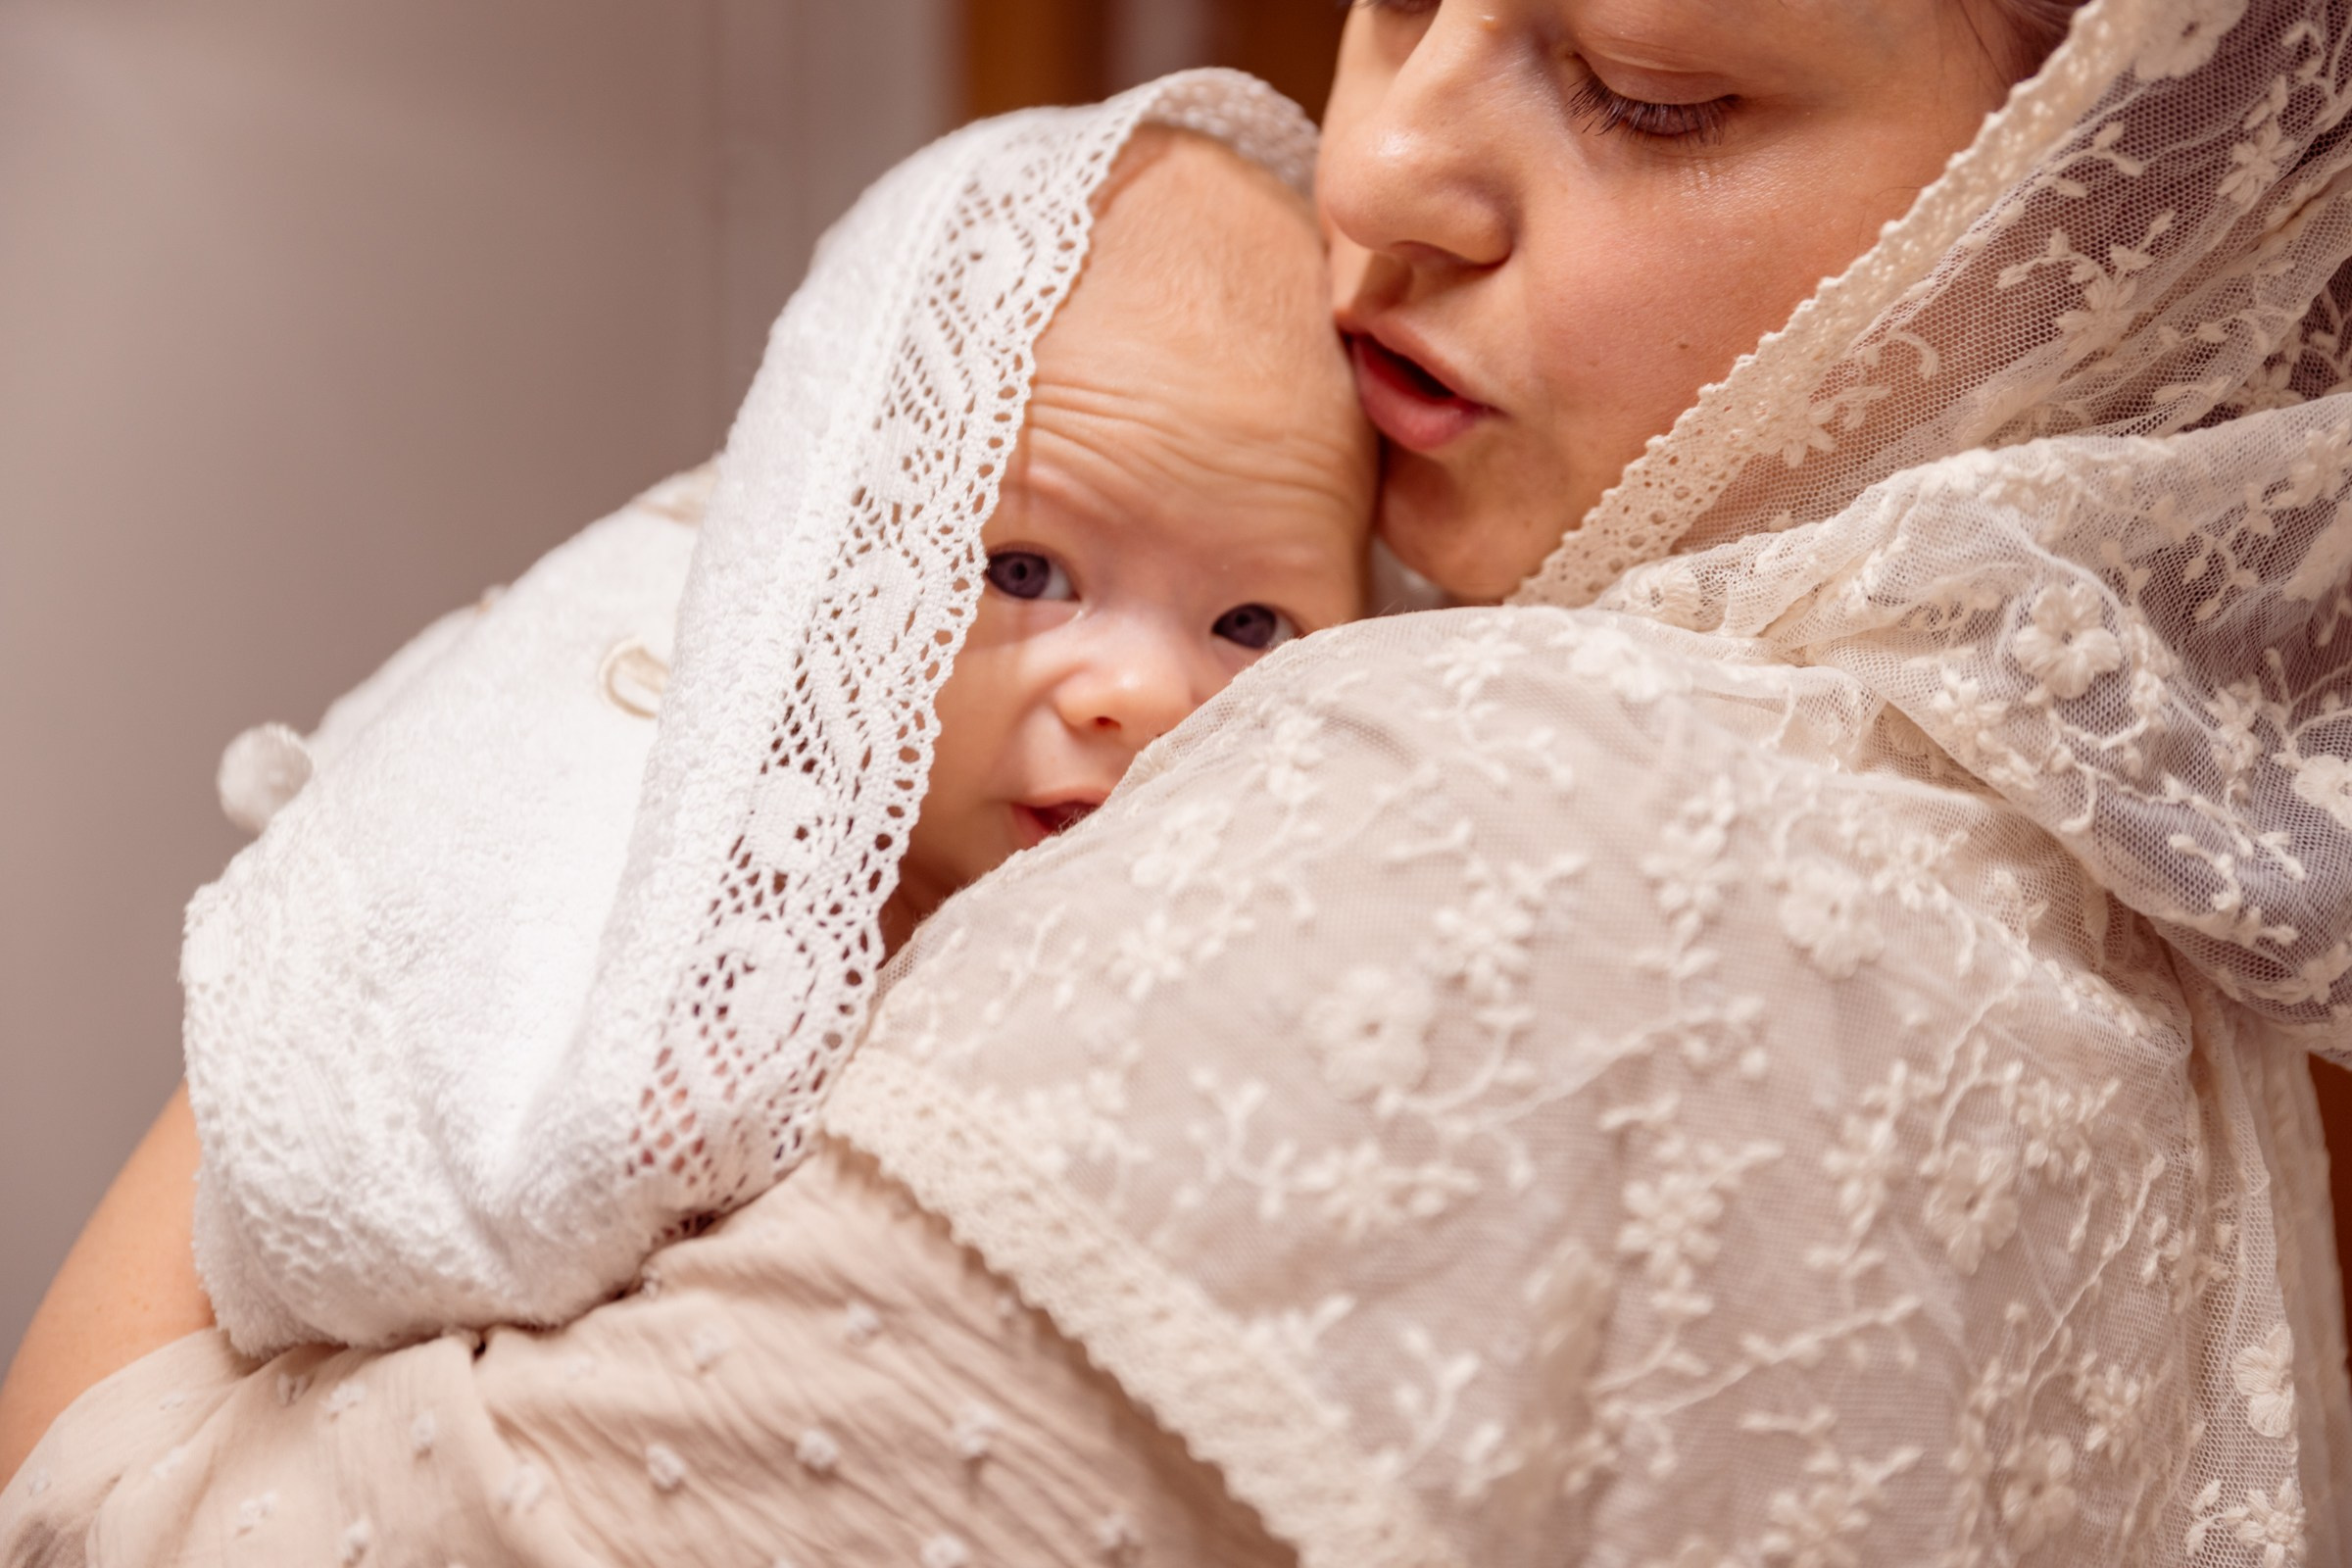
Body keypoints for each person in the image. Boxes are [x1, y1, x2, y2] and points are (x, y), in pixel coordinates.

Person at [11, 0, 2352, 1562]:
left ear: (2114, 190)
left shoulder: (1497, 828)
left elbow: (101, 1508)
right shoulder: (2074, 829)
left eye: (1645, 85)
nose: (1392, 163)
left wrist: (520, 752)